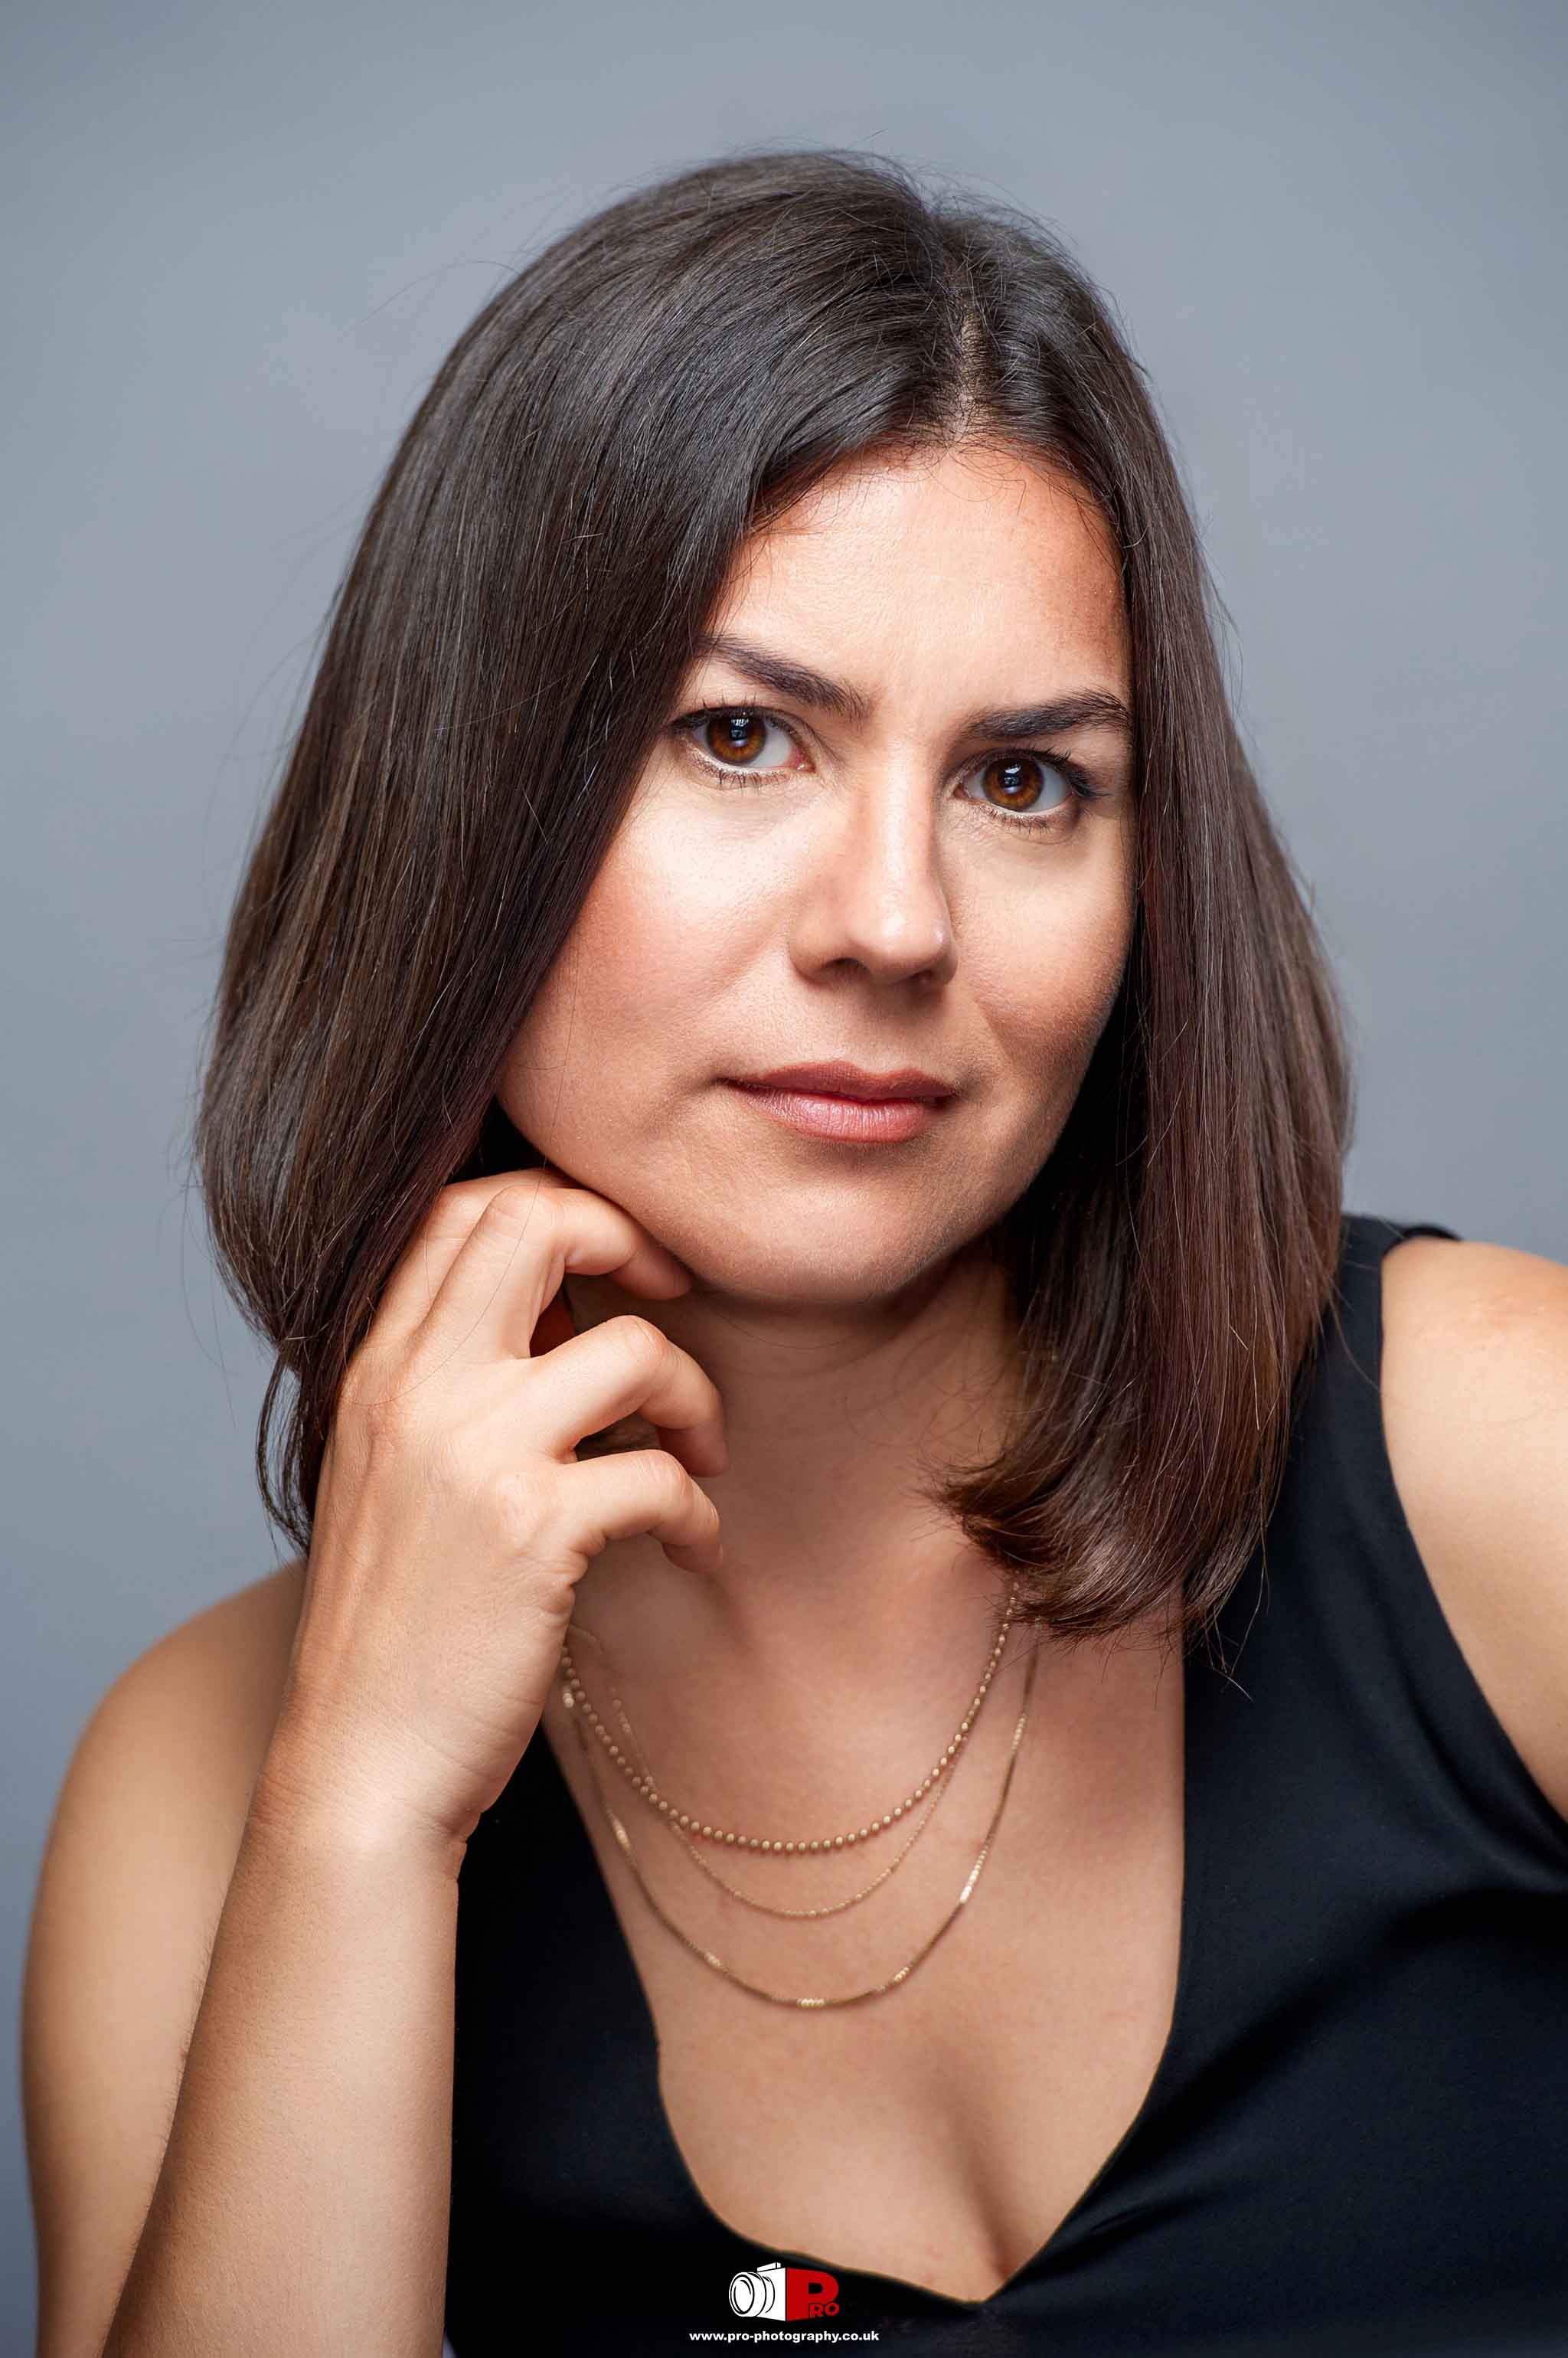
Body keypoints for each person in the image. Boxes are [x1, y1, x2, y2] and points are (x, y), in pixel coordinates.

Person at [21, 148, 1568, 2358]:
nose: (894, 922)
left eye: (1027, 781)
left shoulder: (1511, 1463)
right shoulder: (210, 1776)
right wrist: (362, 1815)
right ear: (479, 800)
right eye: (740, 737)